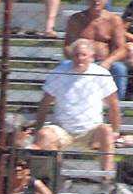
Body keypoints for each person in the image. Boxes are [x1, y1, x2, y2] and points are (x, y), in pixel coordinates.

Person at [32, 39, 120, 173]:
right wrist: (38, 129)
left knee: (106, 131)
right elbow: (45, 102)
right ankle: (54, 177)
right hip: (63, 129)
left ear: (92, 57)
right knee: (44, 135)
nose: (80, 58)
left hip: (91, 131)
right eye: (76, 55)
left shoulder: (101, 74)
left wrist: (116, 131)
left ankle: (106, 177)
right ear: (71, 56)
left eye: (83, 55)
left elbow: (113, 104)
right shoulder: (59, 73)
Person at [64, 0, 130, 100]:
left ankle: (117, 106)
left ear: (106, 0)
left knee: (119, 69)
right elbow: (67, 46)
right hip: (80, 60)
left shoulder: (114, 20)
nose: (96, 0)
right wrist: (77, 59)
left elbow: (122, 49)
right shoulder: (76, 19)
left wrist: (108, 62)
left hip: (105, 61)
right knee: (63, 66)